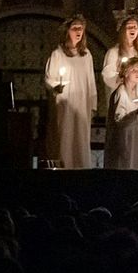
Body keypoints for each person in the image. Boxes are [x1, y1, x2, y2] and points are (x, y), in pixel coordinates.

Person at [44, 14, 97, 169]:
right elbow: (49, 78)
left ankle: (82, 169)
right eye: (75, 28)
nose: (78, 31)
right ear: (68, 31)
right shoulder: (58, 54)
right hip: (65, 103)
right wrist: (56, 87)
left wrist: (93, 105)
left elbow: (91, 82)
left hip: (82, 104)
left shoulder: (86, 55)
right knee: (65, 137)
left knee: (81, 138)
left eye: (81, 28)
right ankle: (64, 168)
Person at [103, 57, 138, 169]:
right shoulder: (121, 92)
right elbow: (119, 120)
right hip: (124, 143)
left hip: (135, 142)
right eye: (134, 70)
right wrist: (136, 112)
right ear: (126, 73)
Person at [101, 14, 138, 92]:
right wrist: (122, 78)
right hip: (121, 91)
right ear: (123, 30)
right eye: (129, 27)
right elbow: (108, 74)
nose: (132, 29)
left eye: (135, 27)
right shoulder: (114, 52)